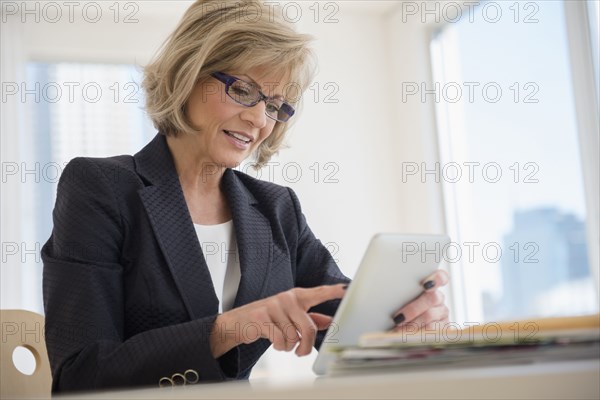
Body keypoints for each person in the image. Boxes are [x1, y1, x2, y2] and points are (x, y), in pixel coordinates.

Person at [42, 0, 449, 393]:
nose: (258, 119)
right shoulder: (100, 187)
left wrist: (402, 322)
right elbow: (81, 377)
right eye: (242, 89)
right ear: (188, 73)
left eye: (275, 105)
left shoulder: (276, 209)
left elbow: (341, 322)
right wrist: (229, 328)